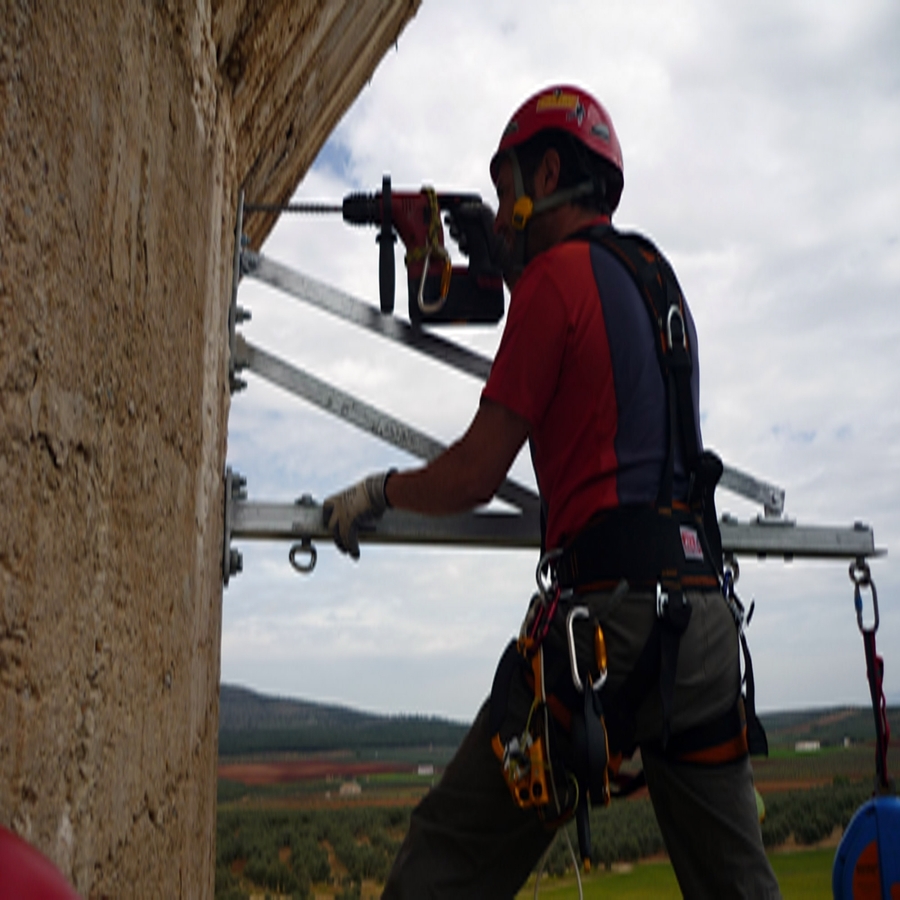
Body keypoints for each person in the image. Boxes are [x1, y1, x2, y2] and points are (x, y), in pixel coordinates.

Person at [323, 85, 781, 900]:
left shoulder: (553, 283)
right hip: (702, 625)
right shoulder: (655, 279)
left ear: (550, 170)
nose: (501, 216)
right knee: (737, 887)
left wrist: (377, 490)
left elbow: (472, 475)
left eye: (507, 192)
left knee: (445, 859)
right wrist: (479, 256)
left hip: (603, 634)